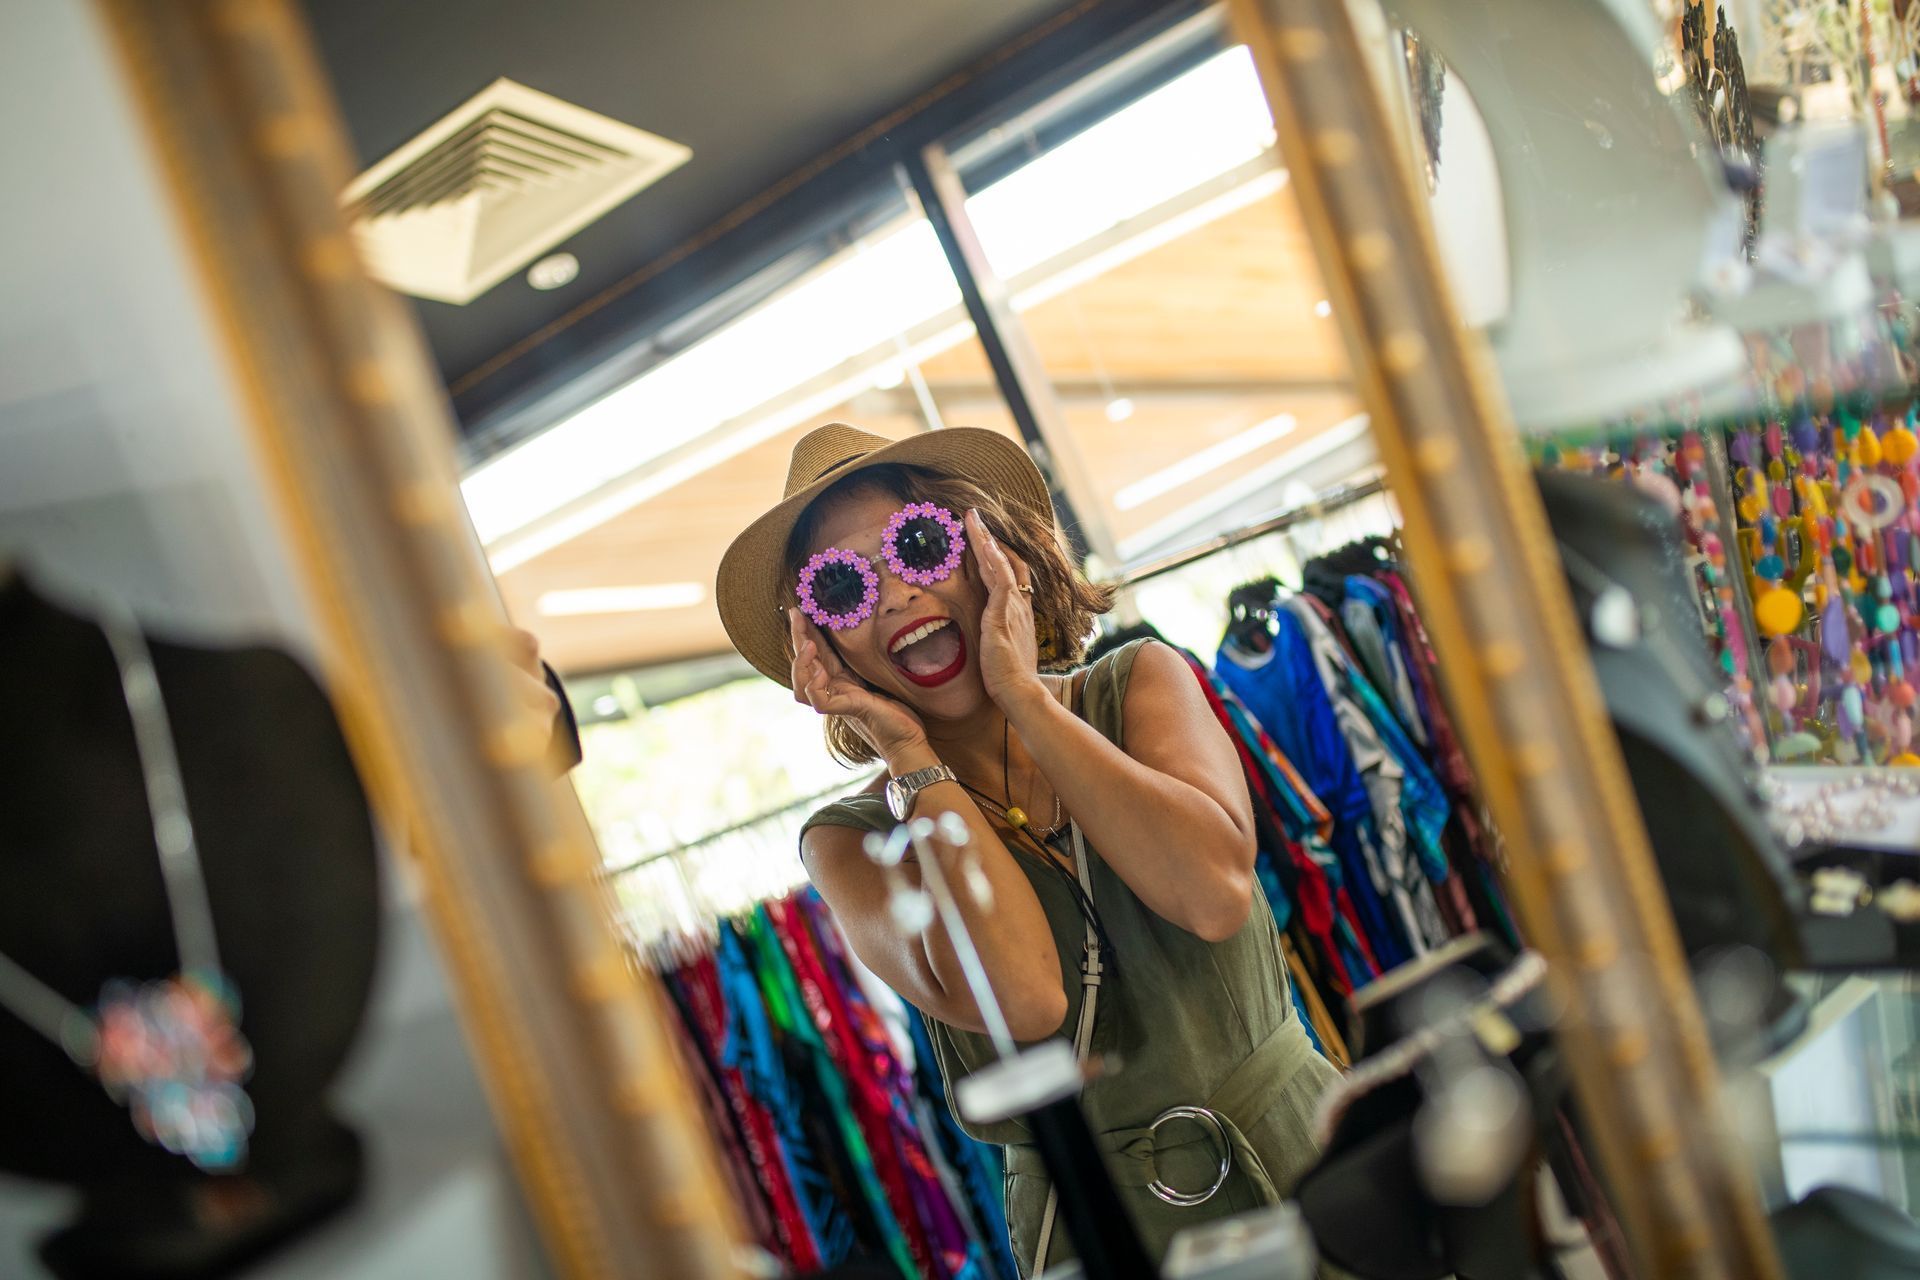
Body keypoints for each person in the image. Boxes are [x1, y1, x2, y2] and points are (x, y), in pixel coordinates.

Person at [715, 423, 1342, 1275]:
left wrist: (1027, 700)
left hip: (1306, 1161)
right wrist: (910, 755)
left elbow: (1211, 894)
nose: (895, 595)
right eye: (840, 590)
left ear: (987, 549)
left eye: (922, 546)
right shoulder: (853, 844)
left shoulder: (1138, 686)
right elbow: (1026, 1002)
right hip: (1096, 1233)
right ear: (816, 643)